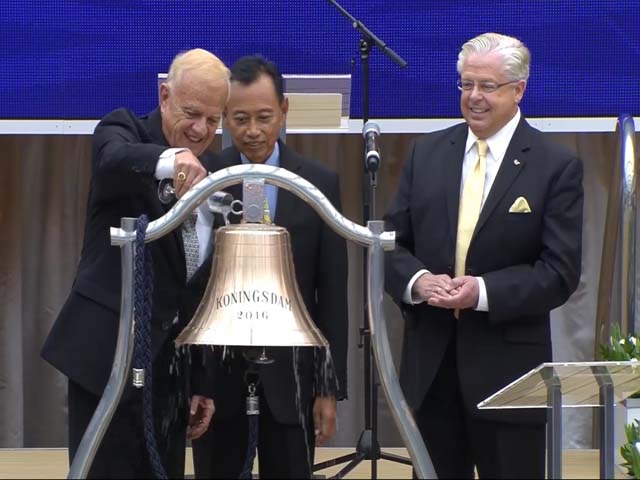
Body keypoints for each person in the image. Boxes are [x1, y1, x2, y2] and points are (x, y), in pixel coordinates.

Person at [384, 33, 583, 479]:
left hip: (509, 379)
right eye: (466, 84)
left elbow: (560, 272)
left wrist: (481, 292)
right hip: (432, 374)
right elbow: (390, 245)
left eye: (487, 86)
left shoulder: (555, 166)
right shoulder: (427, 153)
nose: (474, 97)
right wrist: (417, 282)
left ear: (519, 89)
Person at [40, 48, 230, 478]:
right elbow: (111, 161)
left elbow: (197, 288)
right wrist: (171, 161)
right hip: (109, 361)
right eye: (191, 112)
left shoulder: (215, 171)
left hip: (170, 377)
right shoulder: (124, 129)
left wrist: (202, 383)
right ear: (164, 96)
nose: (201, 129)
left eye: (213, 120)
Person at [190, 55, 348, 479]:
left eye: (264, 116)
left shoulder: (318, 182)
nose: (253, 131)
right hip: (217, 380)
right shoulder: (206, 176)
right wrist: (193, 381)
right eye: (240, 118)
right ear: (224, 116)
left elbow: (330, 292)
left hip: (292, 381)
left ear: (284, 110)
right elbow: (192, 286)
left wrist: (328, 388)